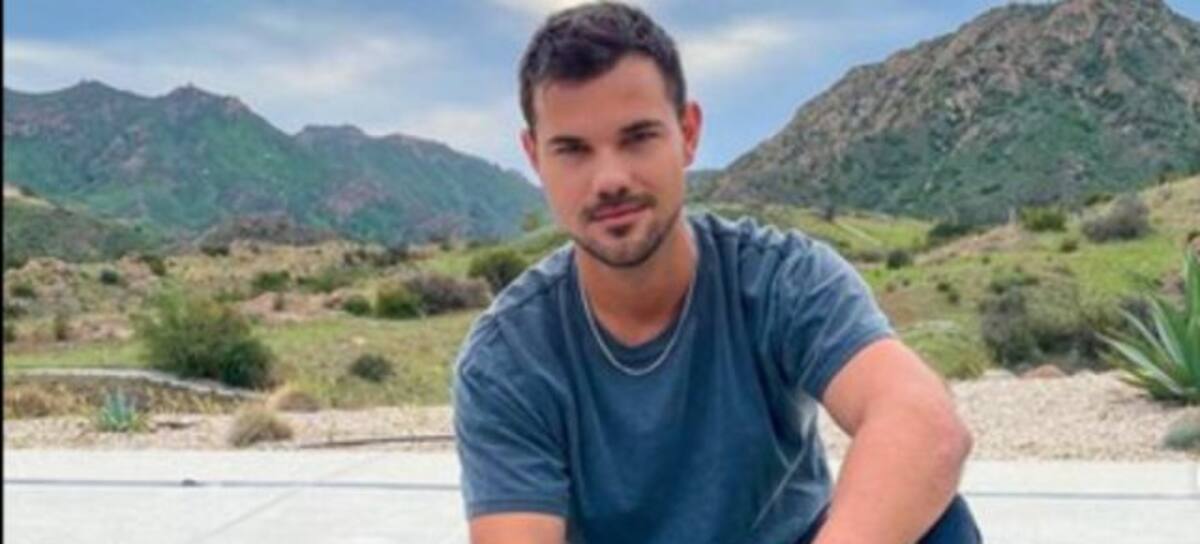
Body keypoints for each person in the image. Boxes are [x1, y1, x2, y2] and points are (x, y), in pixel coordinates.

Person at [452, 2, 981, 542]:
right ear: (535, 157)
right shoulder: (508, 358)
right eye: (573, 150)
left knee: (936, 522)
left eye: (638, 137)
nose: (609, 179)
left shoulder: (780, 278)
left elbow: (924, 424)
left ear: (688, 133)